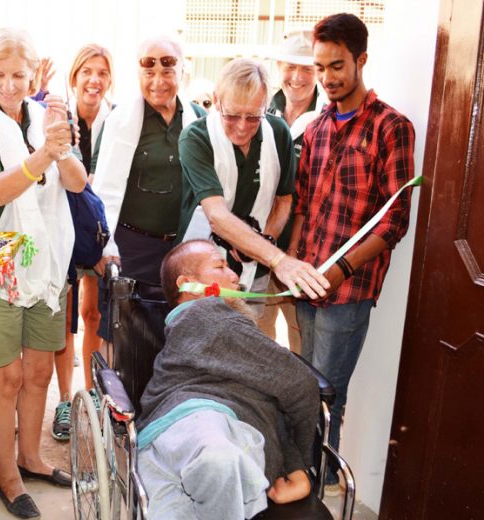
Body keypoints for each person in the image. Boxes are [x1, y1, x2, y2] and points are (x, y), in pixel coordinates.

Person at [0, 28, 87, 518]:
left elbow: (78, 183)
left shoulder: (42, 113)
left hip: (47, 260)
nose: (8, 85)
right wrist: (45, 153)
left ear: (33, 76)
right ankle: (6, 478)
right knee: (5, 377)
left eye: (17, 75)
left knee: (41, 370)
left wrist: (62, 146)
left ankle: (30, 458)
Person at [288, 13, 415, 495]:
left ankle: (316, 492)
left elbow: (395, 218)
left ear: (361, 60)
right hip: (306, 287)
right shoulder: (317, 126)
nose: (326, 79)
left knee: (326, 398)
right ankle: (302, 476)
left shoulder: (392, 127)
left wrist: (338, 271)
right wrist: (297, 258)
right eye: (320, 67)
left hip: (348, 292)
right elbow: (302, 203)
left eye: (336, 66)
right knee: (302, 390)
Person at [137, 239, 319, 519]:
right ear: (187, 284)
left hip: (162, 442)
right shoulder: (211, 316)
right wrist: (300, 467)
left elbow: (274, 396)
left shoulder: (188, 329)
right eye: (220, 266)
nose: (234, 275)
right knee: (219, 461)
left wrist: (293, 463)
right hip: (203, 424)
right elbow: (300, 384)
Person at [178, 58, 329, 315]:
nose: (242, 127)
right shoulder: (196, 137)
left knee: (247, 338)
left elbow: (284, 199)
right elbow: (217, 215)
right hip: (204, 268)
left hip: (255, 267)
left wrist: (262, 240)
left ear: (265, 106)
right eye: (232, 115)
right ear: (216, 101)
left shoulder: (278, 132)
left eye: (253, 117)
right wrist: (278, 259)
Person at [92, 35, 206, 342]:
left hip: (183, 249)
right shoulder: (119, 121)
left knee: (176, 338)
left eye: (167, 71)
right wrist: (104, 246)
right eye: (149, 71)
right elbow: (100, 189)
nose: (158, 81)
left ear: (182, 71)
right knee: (119, 337)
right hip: (130, 248)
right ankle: (112, 393)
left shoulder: (200, 122)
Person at [52, 43, 114, 442]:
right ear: (74, 77)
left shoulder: (118, 120)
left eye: (102, 73)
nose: (94, 80)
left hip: (97, 231)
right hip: (61, 228)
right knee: (61, 322)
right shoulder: (57, 118)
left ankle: (90, 394)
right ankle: (63, 400)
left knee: (93, 315)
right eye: (87, 72)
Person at [256, 29, 325, 352]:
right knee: (258, 338)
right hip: (260, 249)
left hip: (305, 255)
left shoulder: (327, 117)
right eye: (290, 66)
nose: (297, 77)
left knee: (304, 346)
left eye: (307, 68)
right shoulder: (261, 112)